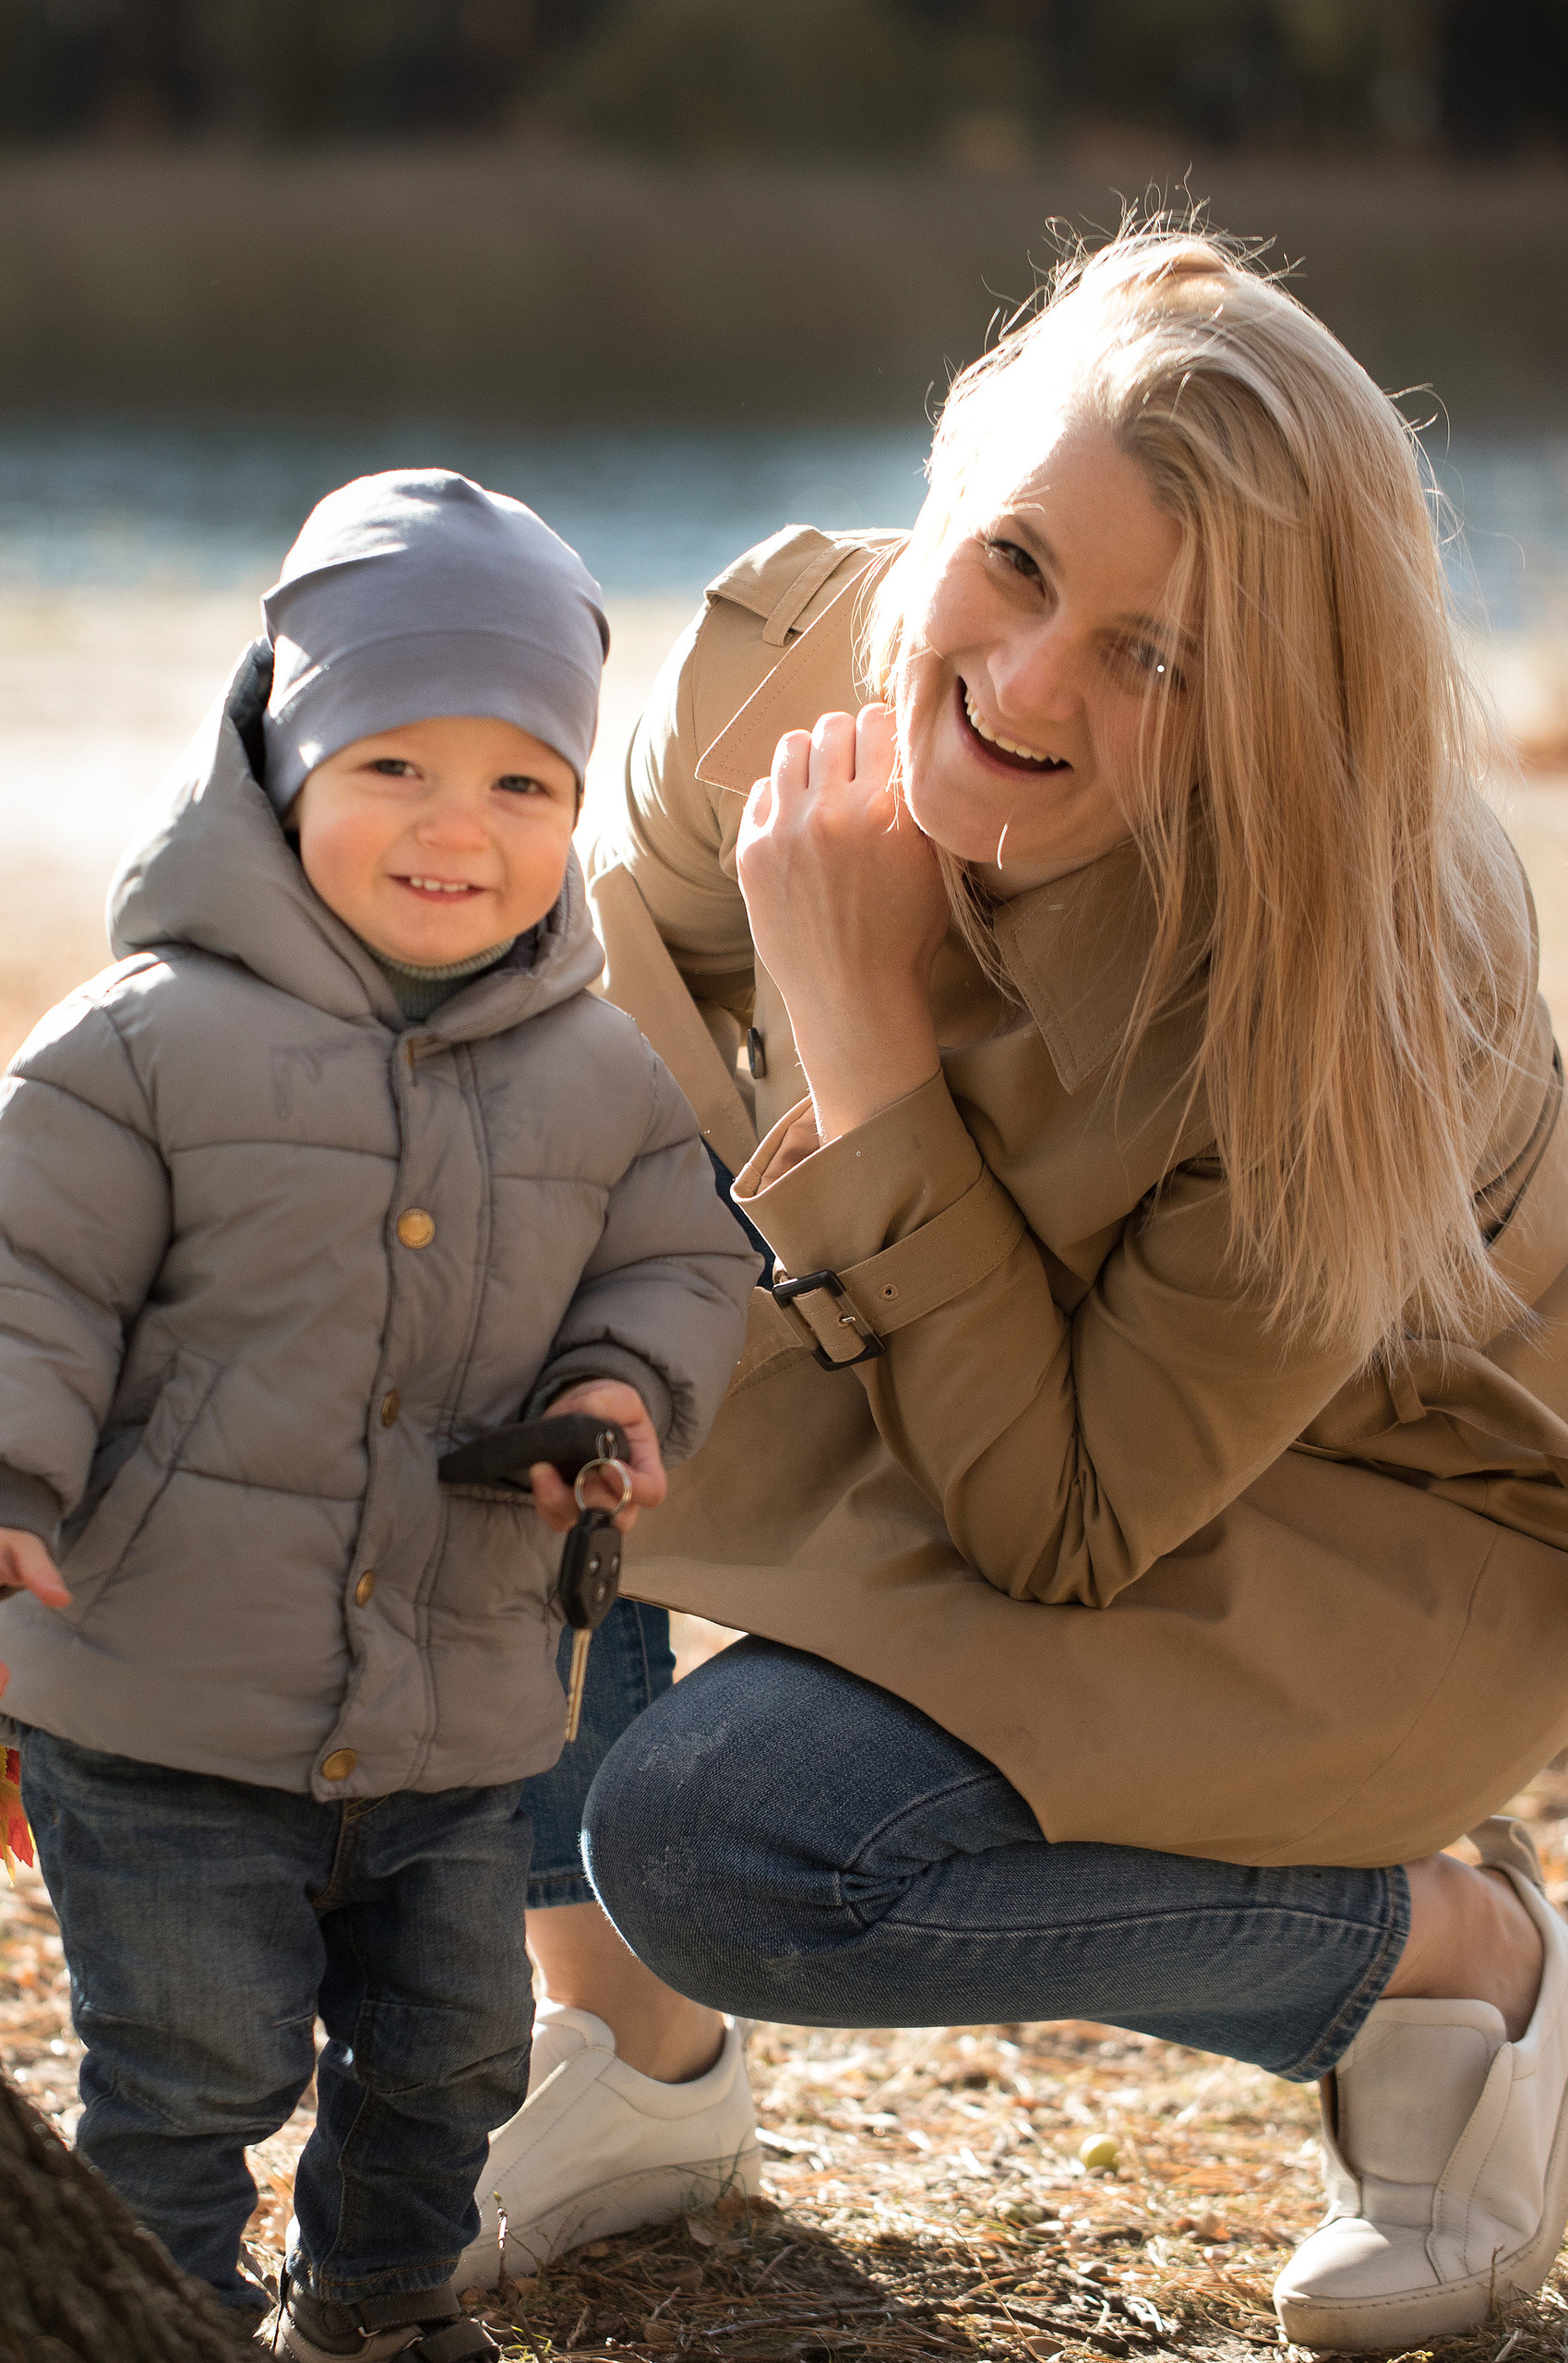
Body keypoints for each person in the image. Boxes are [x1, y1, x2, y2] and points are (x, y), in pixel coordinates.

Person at [532, 221, 1568, 2356]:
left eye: (1152, 658)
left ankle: (1442, 1952)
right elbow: (568, 1029)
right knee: (467, 1274)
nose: (1018, 688)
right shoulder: (784, 655)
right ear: (947, 485)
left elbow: (1066, 1515)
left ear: (1270, 701)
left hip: (1362, 1534)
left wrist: (859, 1031)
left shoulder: (1364, 980)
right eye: (1012, 564)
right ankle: (622, 2072)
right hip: (971, 1364)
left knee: (737, 1840)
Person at [0, 469, 760, 2363]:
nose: (456, 826)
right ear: (279, 770)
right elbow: (19, 1279)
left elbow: (683, 1260)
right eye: (392, 764)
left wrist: (616, 1381)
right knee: (188, 2062)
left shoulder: (598, 1070)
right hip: (163, 1699)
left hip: (456, 1706)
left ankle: (374, 2304)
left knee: (446, 2051)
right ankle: (155, 2306)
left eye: (520, 782)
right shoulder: (142, 1037)